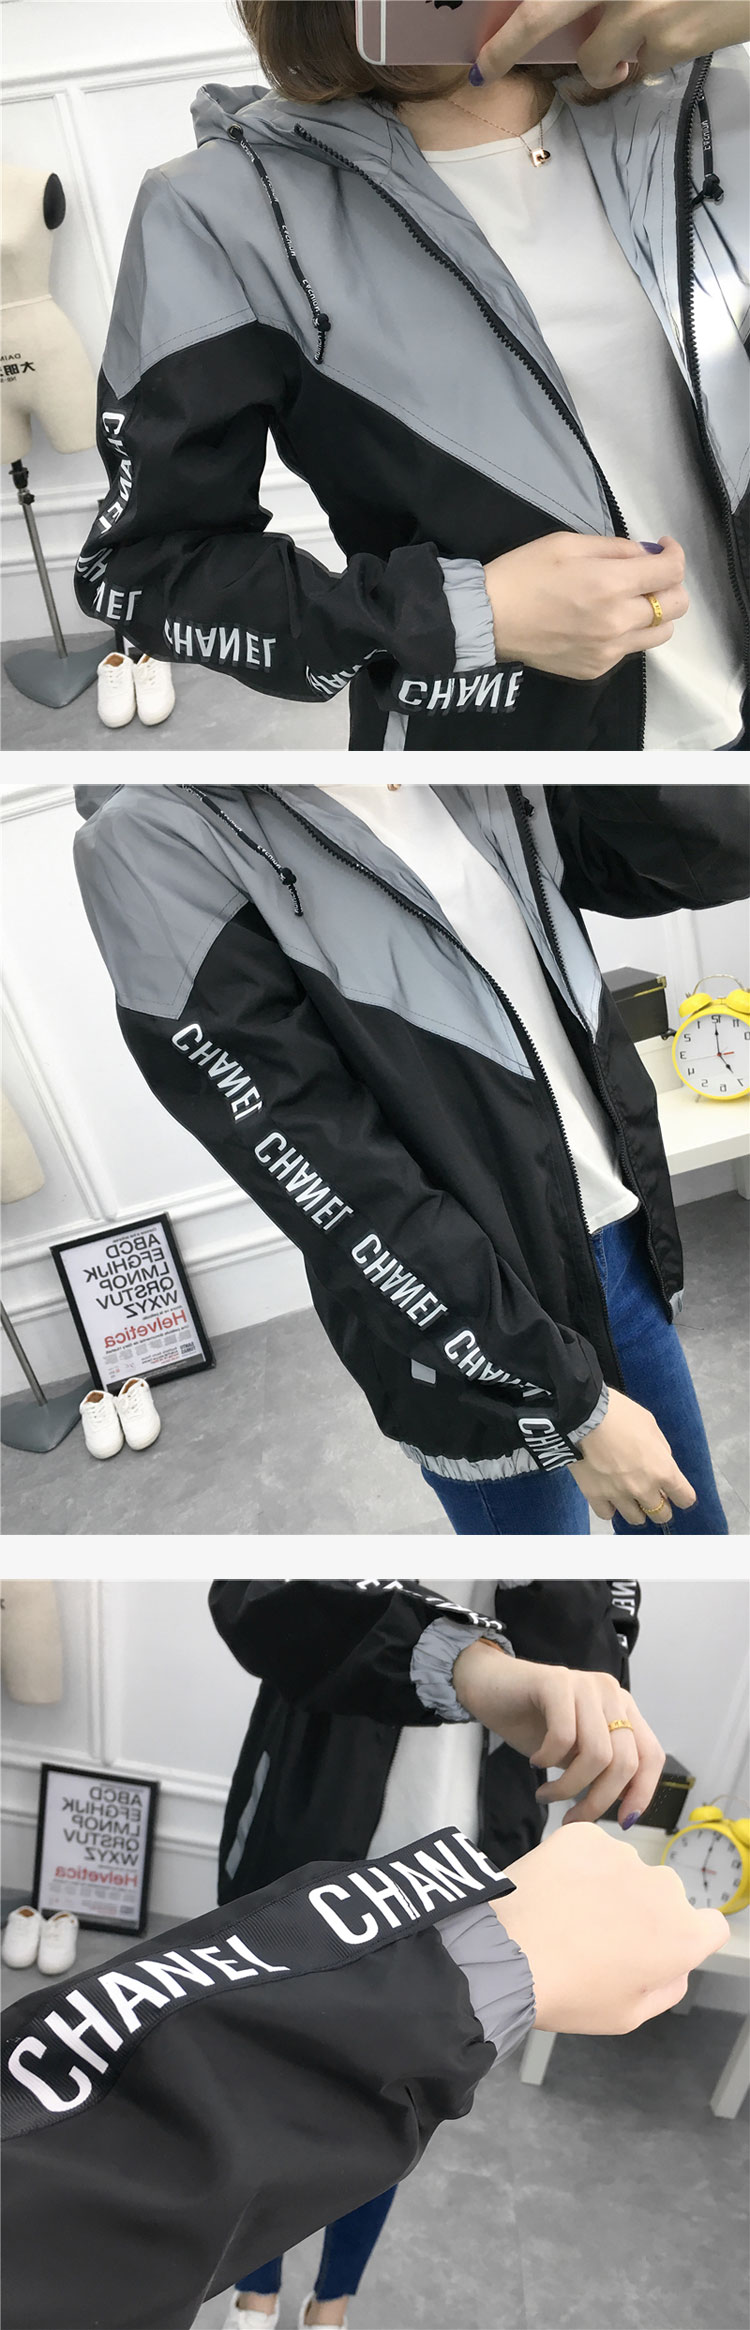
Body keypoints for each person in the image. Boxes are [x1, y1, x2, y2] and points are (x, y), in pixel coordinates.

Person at [73, 0, 749, 754]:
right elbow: (141, 569)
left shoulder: (708, 95)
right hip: (524, 784)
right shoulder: (223, 210)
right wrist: (461, 616)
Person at [73, 781, 749, 1534]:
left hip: (616, 1234)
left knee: (694, 1542)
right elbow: (330, 1171)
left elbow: (678, 854)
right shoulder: (152, 837)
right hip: (462, 1316)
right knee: (540, 1577)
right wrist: (564, 1397)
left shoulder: (463, 761)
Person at [2, 1798, 728, 2330]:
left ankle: (332, 2300)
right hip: (346, 1879)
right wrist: (476, 1977)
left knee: (367, 2146)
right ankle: (259, 2294)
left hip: (458, 1877)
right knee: (315, 2128)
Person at [209, 1575, 643, 2326]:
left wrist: (545, 1583)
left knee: (395, 2110)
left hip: (477, 1846)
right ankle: (256, 2292)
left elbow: (596, 1657)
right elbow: (252, 1594)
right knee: (261, 2092)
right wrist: (462, 1663)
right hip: (310, 1812)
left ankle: (332, 2304)